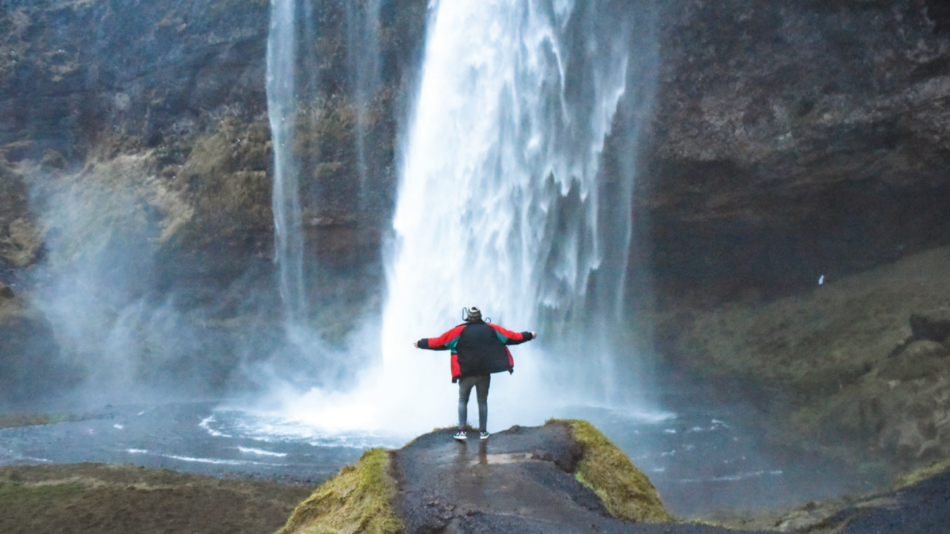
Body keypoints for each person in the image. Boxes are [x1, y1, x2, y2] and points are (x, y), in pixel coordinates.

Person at [414, 306, 536, 441]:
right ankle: (483, 432)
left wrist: (420, 343)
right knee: (482, 401)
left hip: (465, 373)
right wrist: (529, 335)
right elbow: (512, 337)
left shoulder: (459, 330)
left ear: (467, 317)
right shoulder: (491, 328)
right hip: (484, 373)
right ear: (480, 316)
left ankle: (462, 431)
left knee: (462, 400)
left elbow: (440, 342)